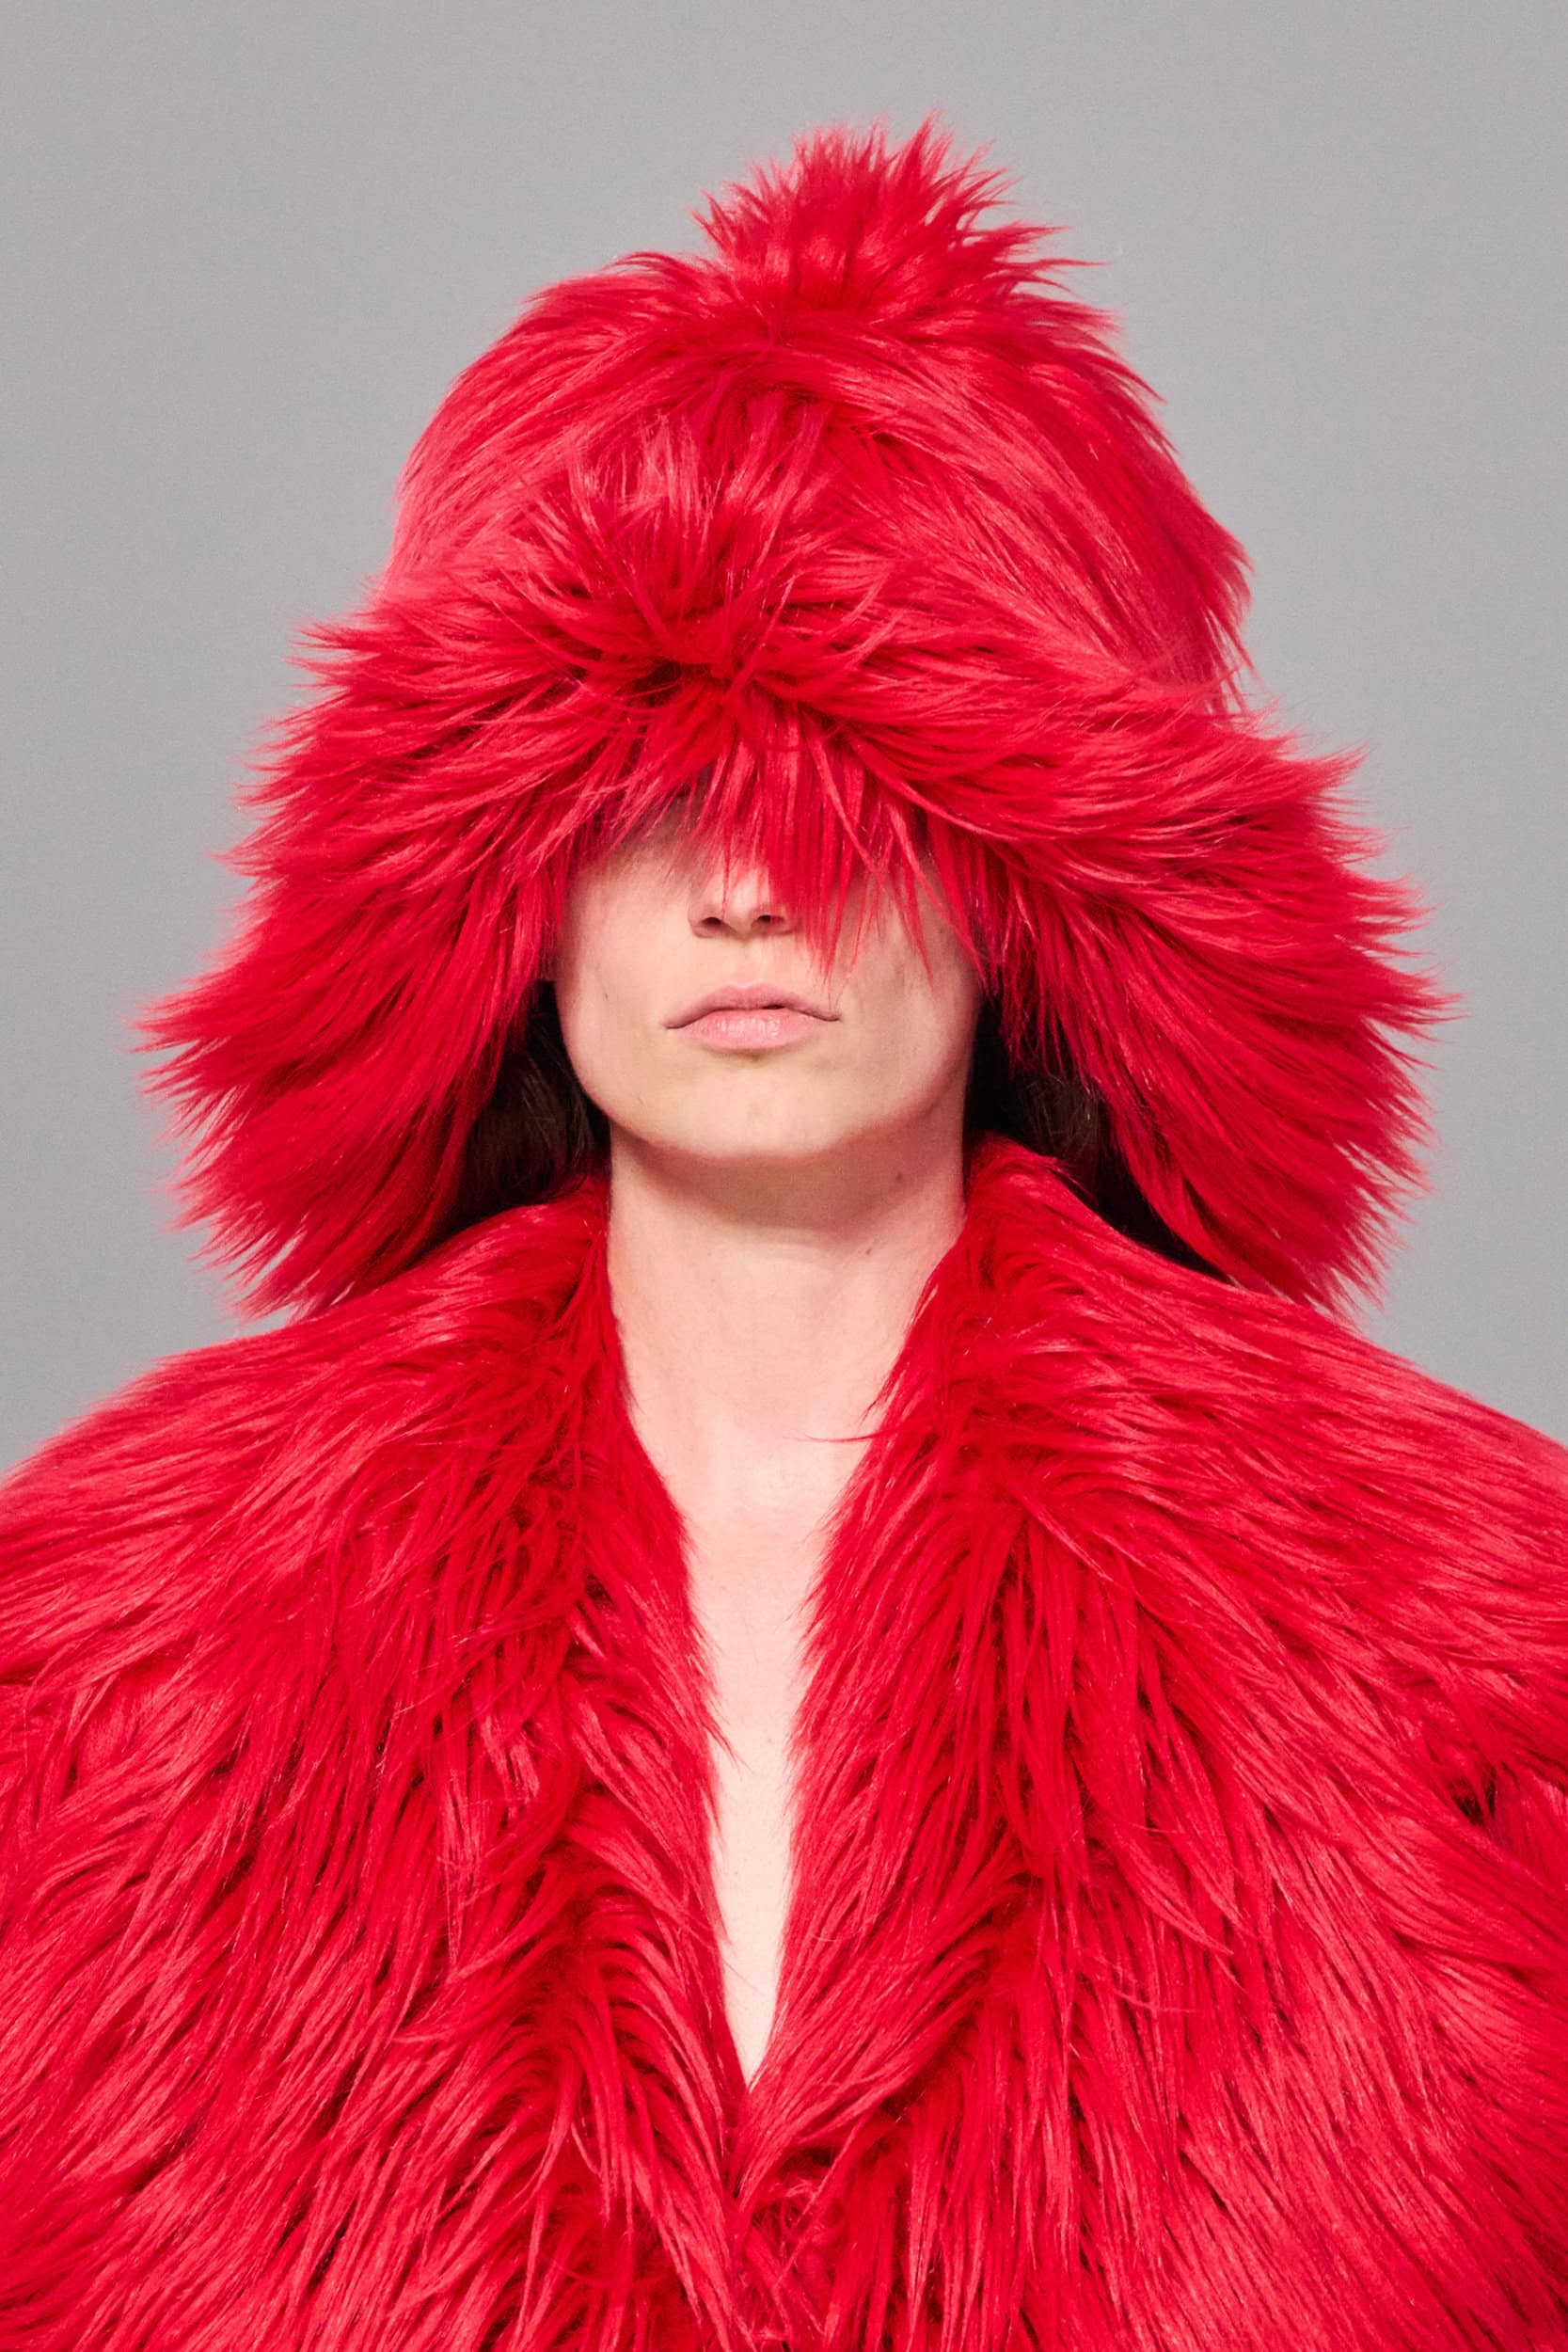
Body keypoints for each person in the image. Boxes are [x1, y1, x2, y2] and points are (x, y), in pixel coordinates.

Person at [1, 114, 1564, 2352]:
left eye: (856, 791)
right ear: (507, 886)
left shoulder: (1471, 1642)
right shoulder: (109, 1654)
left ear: (1028, 878)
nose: (747, 889)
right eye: (642, 793)